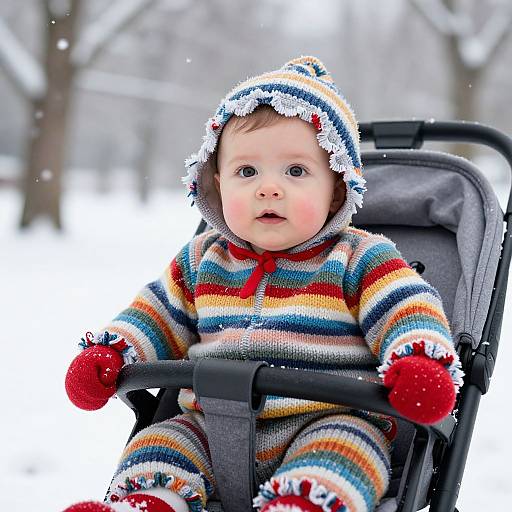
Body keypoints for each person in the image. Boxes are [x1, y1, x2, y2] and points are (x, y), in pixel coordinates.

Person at [64, 56, 463, 512]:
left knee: (348, 451)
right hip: (213, 424)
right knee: (162, 443)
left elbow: (407, 308)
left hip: (327, 417)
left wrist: (417, 359)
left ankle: (302, 504)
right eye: (246, 172)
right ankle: (146, 503)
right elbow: (155, 314)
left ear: (334, 189)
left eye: (295, 172)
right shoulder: (201, 261)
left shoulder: (360, 258)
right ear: (216, 183)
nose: (268, 188)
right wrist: (113, 351)